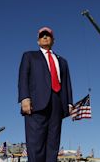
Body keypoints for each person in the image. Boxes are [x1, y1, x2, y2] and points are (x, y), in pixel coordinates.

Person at [18, 26, 73, 162]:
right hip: (36, 104)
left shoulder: (62, 61)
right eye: (42, 35)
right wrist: (24, 98)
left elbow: (67, 83)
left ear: (53, 40)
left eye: (47, 35)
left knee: (53, 144)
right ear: (38, 41)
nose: (45, 37)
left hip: (57, 104)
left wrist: (69, 103)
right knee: (36, 144)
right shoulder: (29, 56)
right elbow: (23, 77)